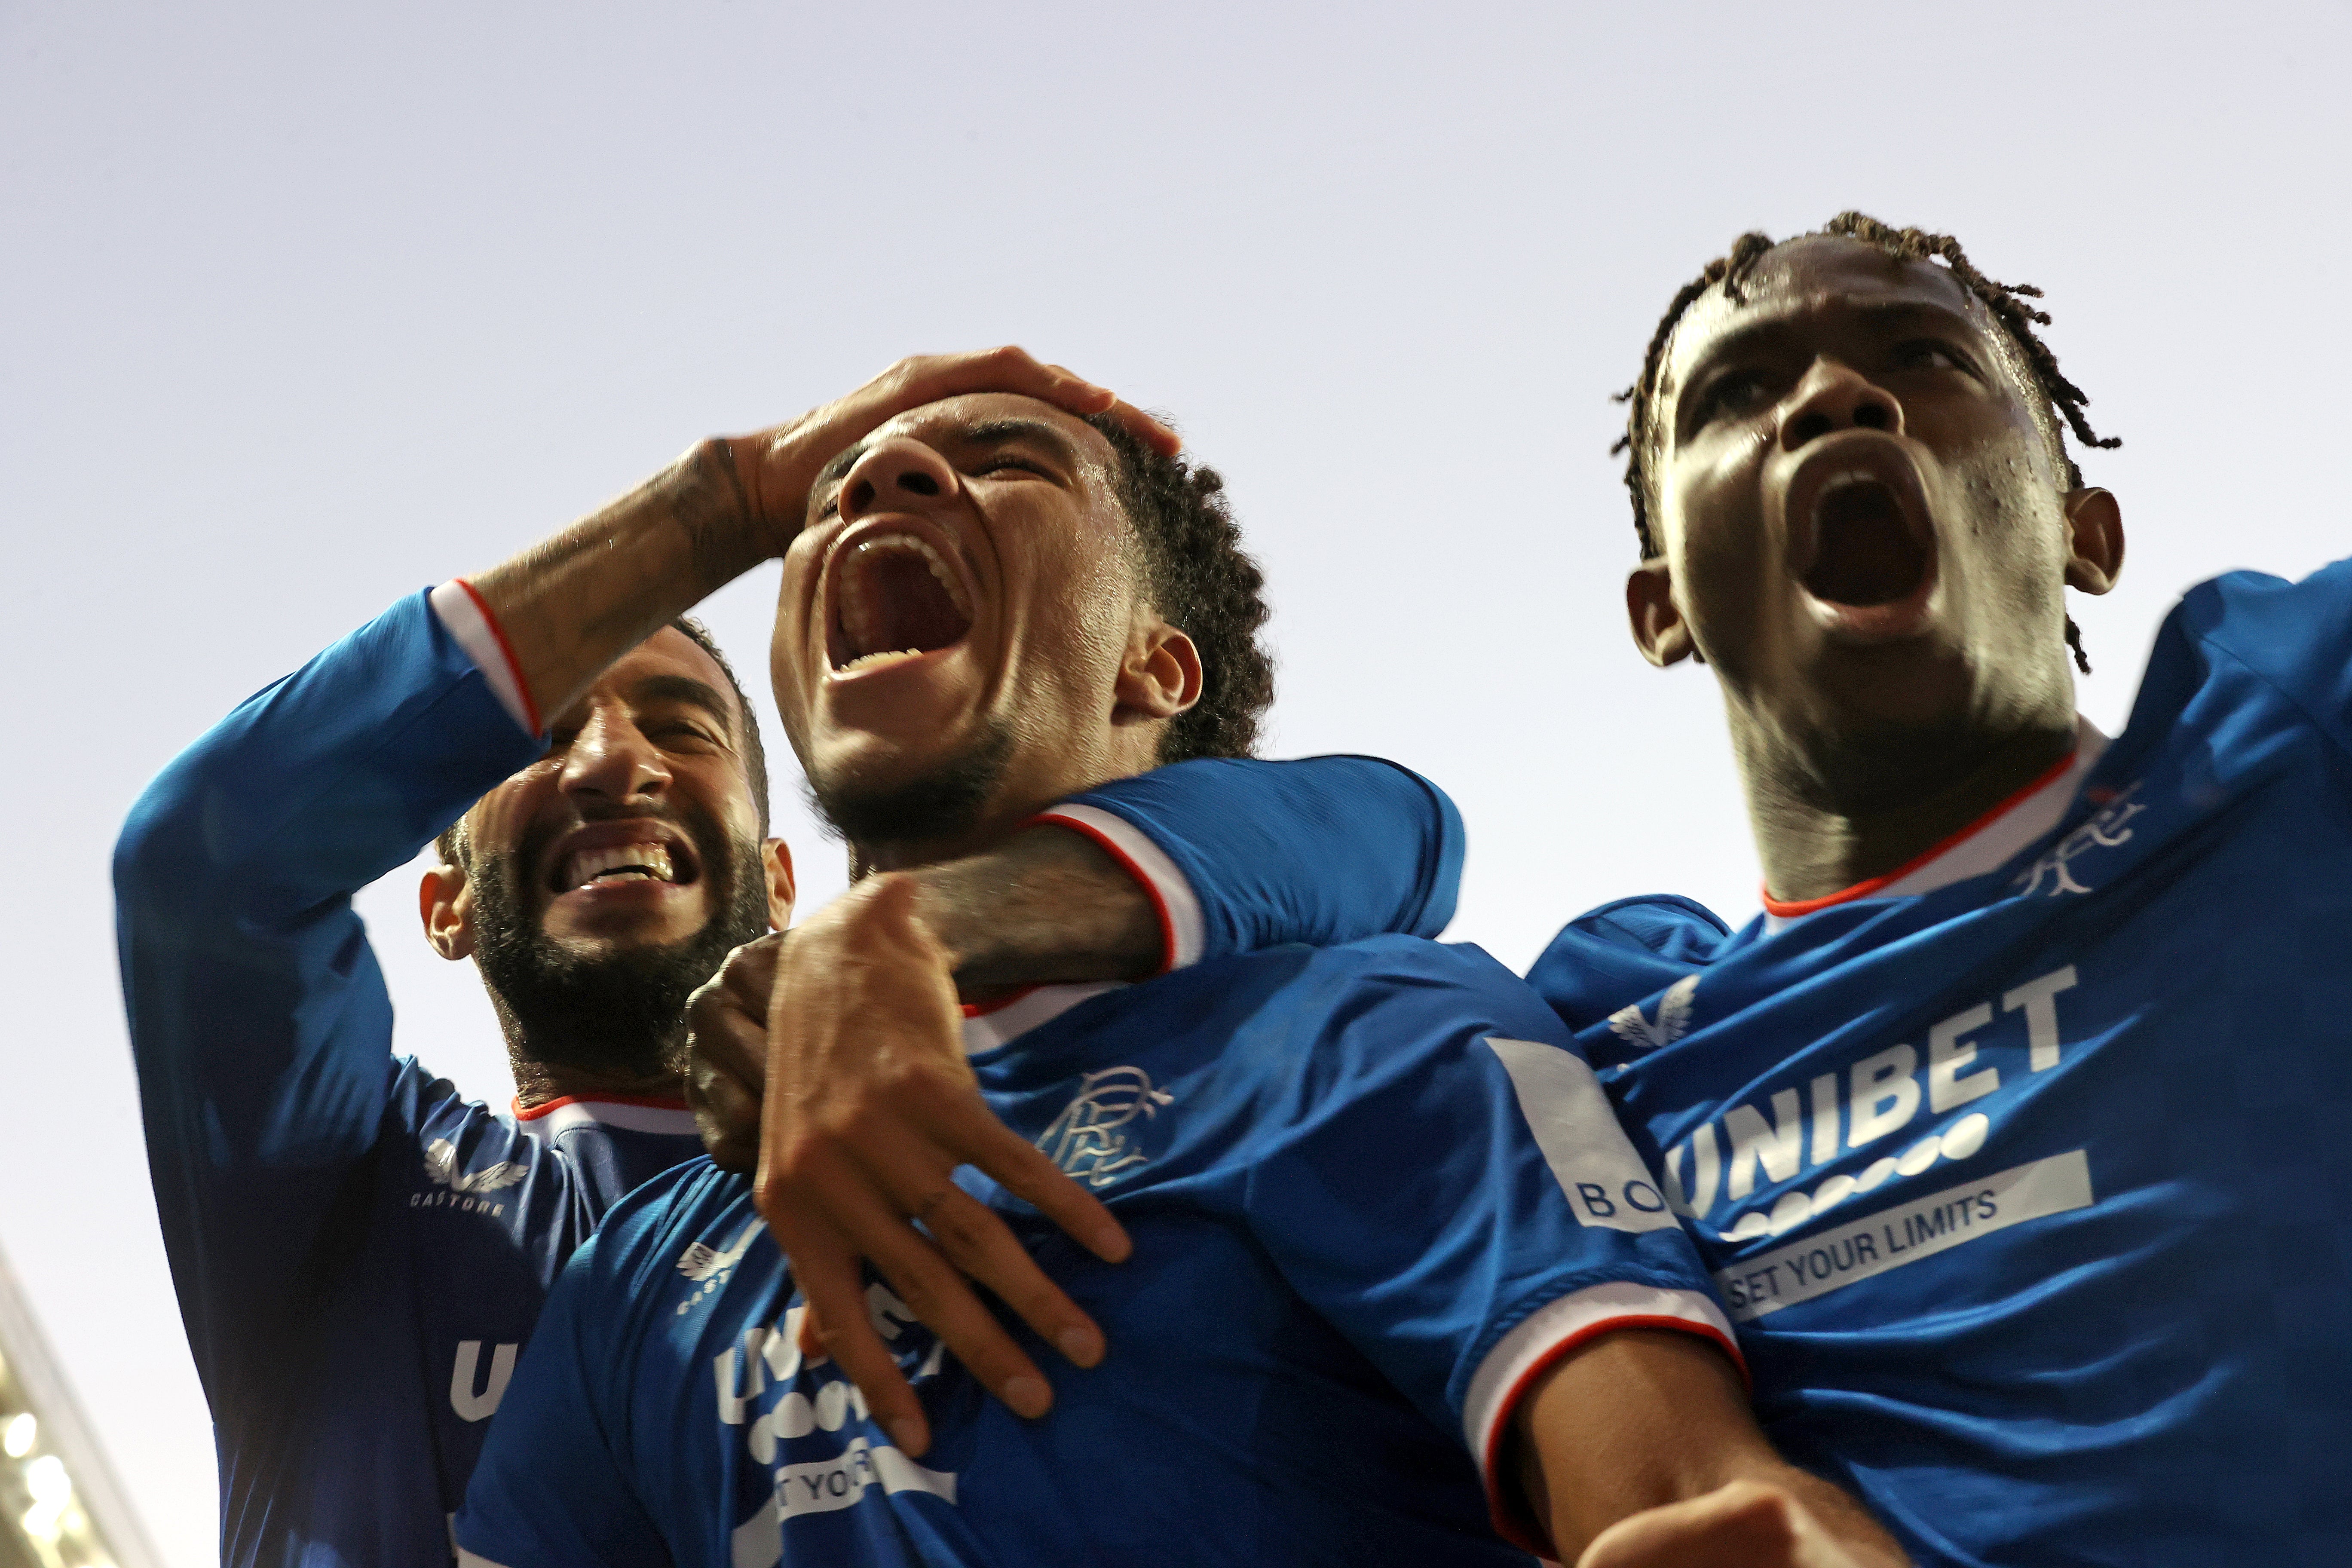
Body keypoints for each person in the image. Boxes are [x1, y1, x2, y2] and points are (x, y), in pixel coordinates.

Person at [723, 216, 2352, 1565]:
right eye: (1736, 393)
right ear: (1660, 604)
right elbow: (1360, 855)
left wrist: (909, 924)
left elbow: (1381, 829)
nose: (1839, 399)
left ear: (2089, 526)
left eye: (1925, 360)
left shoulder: (2282, 739)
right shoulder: (1605, 1021)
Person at [451, 393, 1904, 1568]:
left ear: (1153, 668)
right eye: (833, 495)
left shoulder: (1362, 1031)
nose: (879, 474)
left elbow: (1679, 1504)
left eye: (1006, 463)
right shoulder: (646, 1263)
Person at [114, 349, 1460, 1568]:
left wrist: (924, 923)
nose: (612, 763)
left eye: (686, 728)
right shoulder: (350, 1197)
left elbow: (1390, 830)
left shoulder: (1118, 1097)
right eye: (538, 741)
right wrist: (732, 503)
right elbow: (207, 863)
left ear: (779, 882)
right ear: (445, 905)